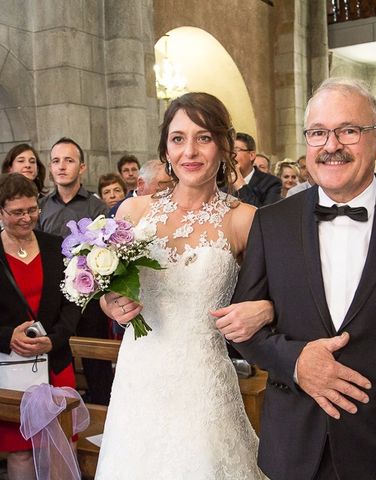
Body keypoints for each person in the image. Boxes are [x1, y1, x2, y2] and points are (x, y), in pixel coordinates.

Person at [226, 78, 376, 479]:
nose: (331, 145)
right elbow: (244, 329)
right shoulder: (271, 223)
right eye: (318, 132)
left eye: (349, 130)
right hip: (294, 454)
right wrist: (297, 361)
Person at [95, 92, 272, 479]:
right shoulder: (132, 211)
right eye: (178, 138)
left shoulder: (245, 220)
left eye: (204, 137)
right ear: (166, 149)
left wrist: (267, 308)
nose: (189, 150)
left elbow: (283, 293)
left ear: (225, 146)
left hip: (200, 379)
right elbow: (108, 283)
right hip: (138, 375)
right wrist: (111, 302)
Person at [0, 173, 80, 480]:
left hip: (55, 361)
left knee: (61, 445)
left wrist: (55, 338)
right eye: (17, 212)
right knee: (20, 450)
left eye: (32, 210)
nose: (27, 219)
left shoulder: (55, 246)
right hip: (5, 365)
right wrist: (6, 336)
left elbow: (73, 302)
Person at [38, 137, 113, 405]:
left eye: (69, 160)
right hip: (53, 297)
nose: (62, 166)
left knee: (95, 358)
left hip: (89, 296)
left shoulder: (96, 207)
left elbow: (107, 250)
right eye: (56, 161)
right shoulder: (43, 207)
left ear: (82, 167)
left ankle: (102, 409)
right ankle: (59, 408)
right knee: (58, 356)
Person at [0, 144, 47, 235]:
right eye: (21, 161)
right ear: (10, 168)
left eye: (32, 162)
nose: (28, 165)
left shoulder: (46, 201)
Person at [108, 159, 174, 217]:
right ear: (141, 184)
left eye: (170, 191)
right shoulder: (118, 210)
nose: (166, 196)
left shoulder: (172, 207)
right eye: (161, 191)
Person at [232, 132, 282, 207]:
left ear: (251, 155)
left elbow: (265, 215)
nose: (230, 154)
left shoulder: (271, 183)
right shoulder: (220, 182)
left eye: (235, 150)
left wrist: (241, 185)